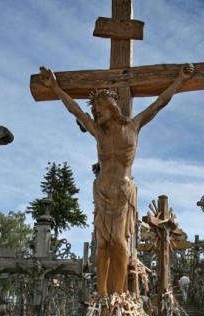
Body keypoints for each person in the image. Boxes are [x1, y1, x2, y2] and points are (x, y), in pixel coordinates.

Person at [39, 64, 195, 295]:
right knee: (102, 244)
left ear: (112, 107)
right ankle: (102, 294)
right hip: (102, 189)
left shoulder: (133, 125)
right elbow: (75, 111)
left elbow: (159, 102)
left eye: (100, 108)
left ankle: (118, 295)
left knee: (119, 243)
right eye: (95, 110)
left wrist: (179, 80)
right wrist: (55, 87)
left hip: (123, 189)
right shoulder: (98, 132)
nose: (96, 113)